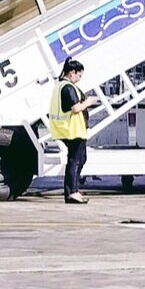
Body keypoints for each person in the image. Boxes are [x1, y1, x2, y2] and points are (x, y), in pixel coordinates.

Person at [48, 58, 98, 205]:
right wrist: (88, 102)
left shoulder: (59, 85)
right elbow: (76, 108)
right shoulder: (68, 87)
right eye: (79, 75)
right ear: (72, 73)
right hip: (73, 130)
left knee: (79, 159)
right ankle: (71, 192)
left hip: (69, 129)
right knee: (75, 161)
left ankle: (73, 190)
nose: (79, 79)